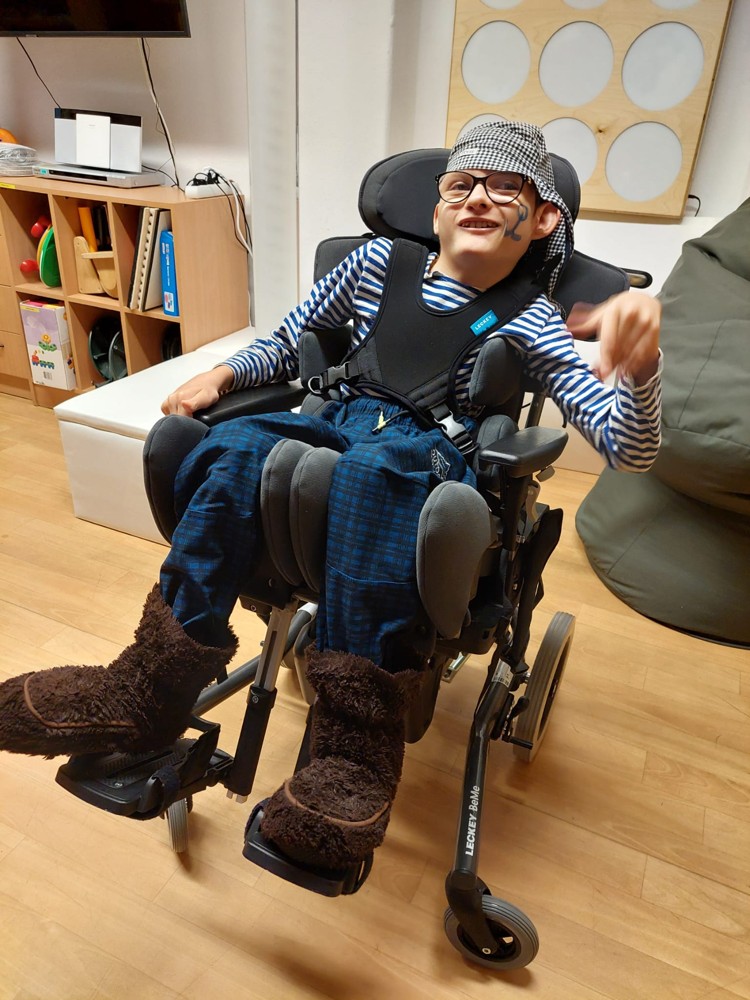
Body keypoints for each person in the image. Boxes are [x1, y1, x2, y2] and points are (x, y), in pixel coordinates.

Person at [0, 120, 661, 870]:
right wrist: (223, 374)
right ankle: (146, 689)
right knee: (236, 448)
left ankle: (352, 755)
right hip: (339, 418)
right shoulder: (378, 262)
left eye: (506, 188)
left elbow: (630, 450)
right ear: (436, 208)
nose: (478, 198)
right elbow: (290, 340)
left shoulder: (533, 317)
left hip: (428, 450)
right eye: (461, 185)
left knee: (376, 475)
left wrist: (640, 374)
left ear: (541, 221)